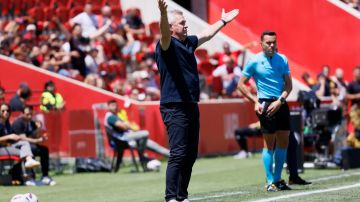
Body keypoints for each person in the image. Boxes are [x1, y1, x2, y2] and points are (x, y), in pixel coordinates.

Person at [155, 0, 239, 201]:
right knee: (178, 153)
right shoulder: (166, 44)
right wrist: (163, 15)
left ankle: (182, 196)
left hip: (191, 105)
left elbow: (206, 34)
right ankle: (171, 197)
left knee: (190, 154)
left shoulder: (188, 42)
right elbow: (164, 34)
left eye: (185, 22)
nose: (186, 25)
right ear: (171, 27)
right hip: (174, 106)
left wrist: (222, 21)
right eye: (182, 23)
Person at [237, 30, 293, 192]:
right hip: (265, 105)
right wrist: (255, 101)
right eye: (268, 42)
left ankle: (278, 179)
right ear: (261, 44)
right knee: (269, 144)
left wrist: (280, 101)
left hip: (280, 103)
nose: (272, 45)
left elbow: (289, 86)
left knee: (284, 142)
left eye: (274, 42)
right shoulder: (254, 61)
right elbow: (241, 84)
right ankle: (270, 181)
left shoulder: (282, 59)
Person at [104, 100, 170, 170]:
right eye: (112, 105)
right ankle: (142, 157)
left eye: (116, 105)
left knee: (157, 147)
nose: (115, 107)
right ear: (108, 107)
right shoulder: (110, 117)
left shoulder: (116, 115)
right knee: (145, 133)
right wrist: (127, 125)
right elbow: (123, 126)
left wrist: (127, 125)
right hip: (124, 139)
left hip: (131, 137)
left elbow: (128, 126)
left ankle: (178, 157)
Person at [12, 105, 56, 186]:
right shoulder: (18, 123)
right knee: (32, 149)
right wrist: (36, 140)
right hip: (17, 146)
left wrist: (39, 129)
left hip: (29, 145)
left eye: (31, 114)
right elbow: (23, 138)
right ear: (22, 114)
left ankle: (45, 176)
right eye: (27, 114)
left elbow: (34, 136)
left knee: (44, 150)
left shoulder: (32, 123)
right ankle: (29, 177)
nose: (29, 116)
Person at [0, 103, 40, 185]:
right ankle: (27, 178)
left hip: (8, 146)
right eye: (3, 111)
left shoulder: (7, 123)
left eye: (8, 110)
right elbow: (8, 137)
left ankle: (29, 163)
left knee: (25, 144)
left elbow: (11, 139)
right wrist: (10, 136)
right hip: (1, 149)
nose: (6, 112)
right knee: (23, 152)